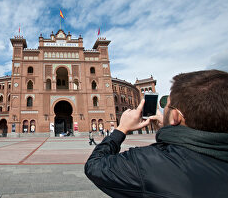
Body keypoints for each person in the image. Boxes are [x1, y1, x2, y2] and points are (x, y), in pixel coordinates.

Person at [85, 70, 228, 198]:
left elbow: (95, 166)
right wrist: (168, 129)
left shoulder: (148, 163)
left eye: (167, 105)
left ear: (175, 116)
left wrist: (121, 129)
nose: (163, 109)